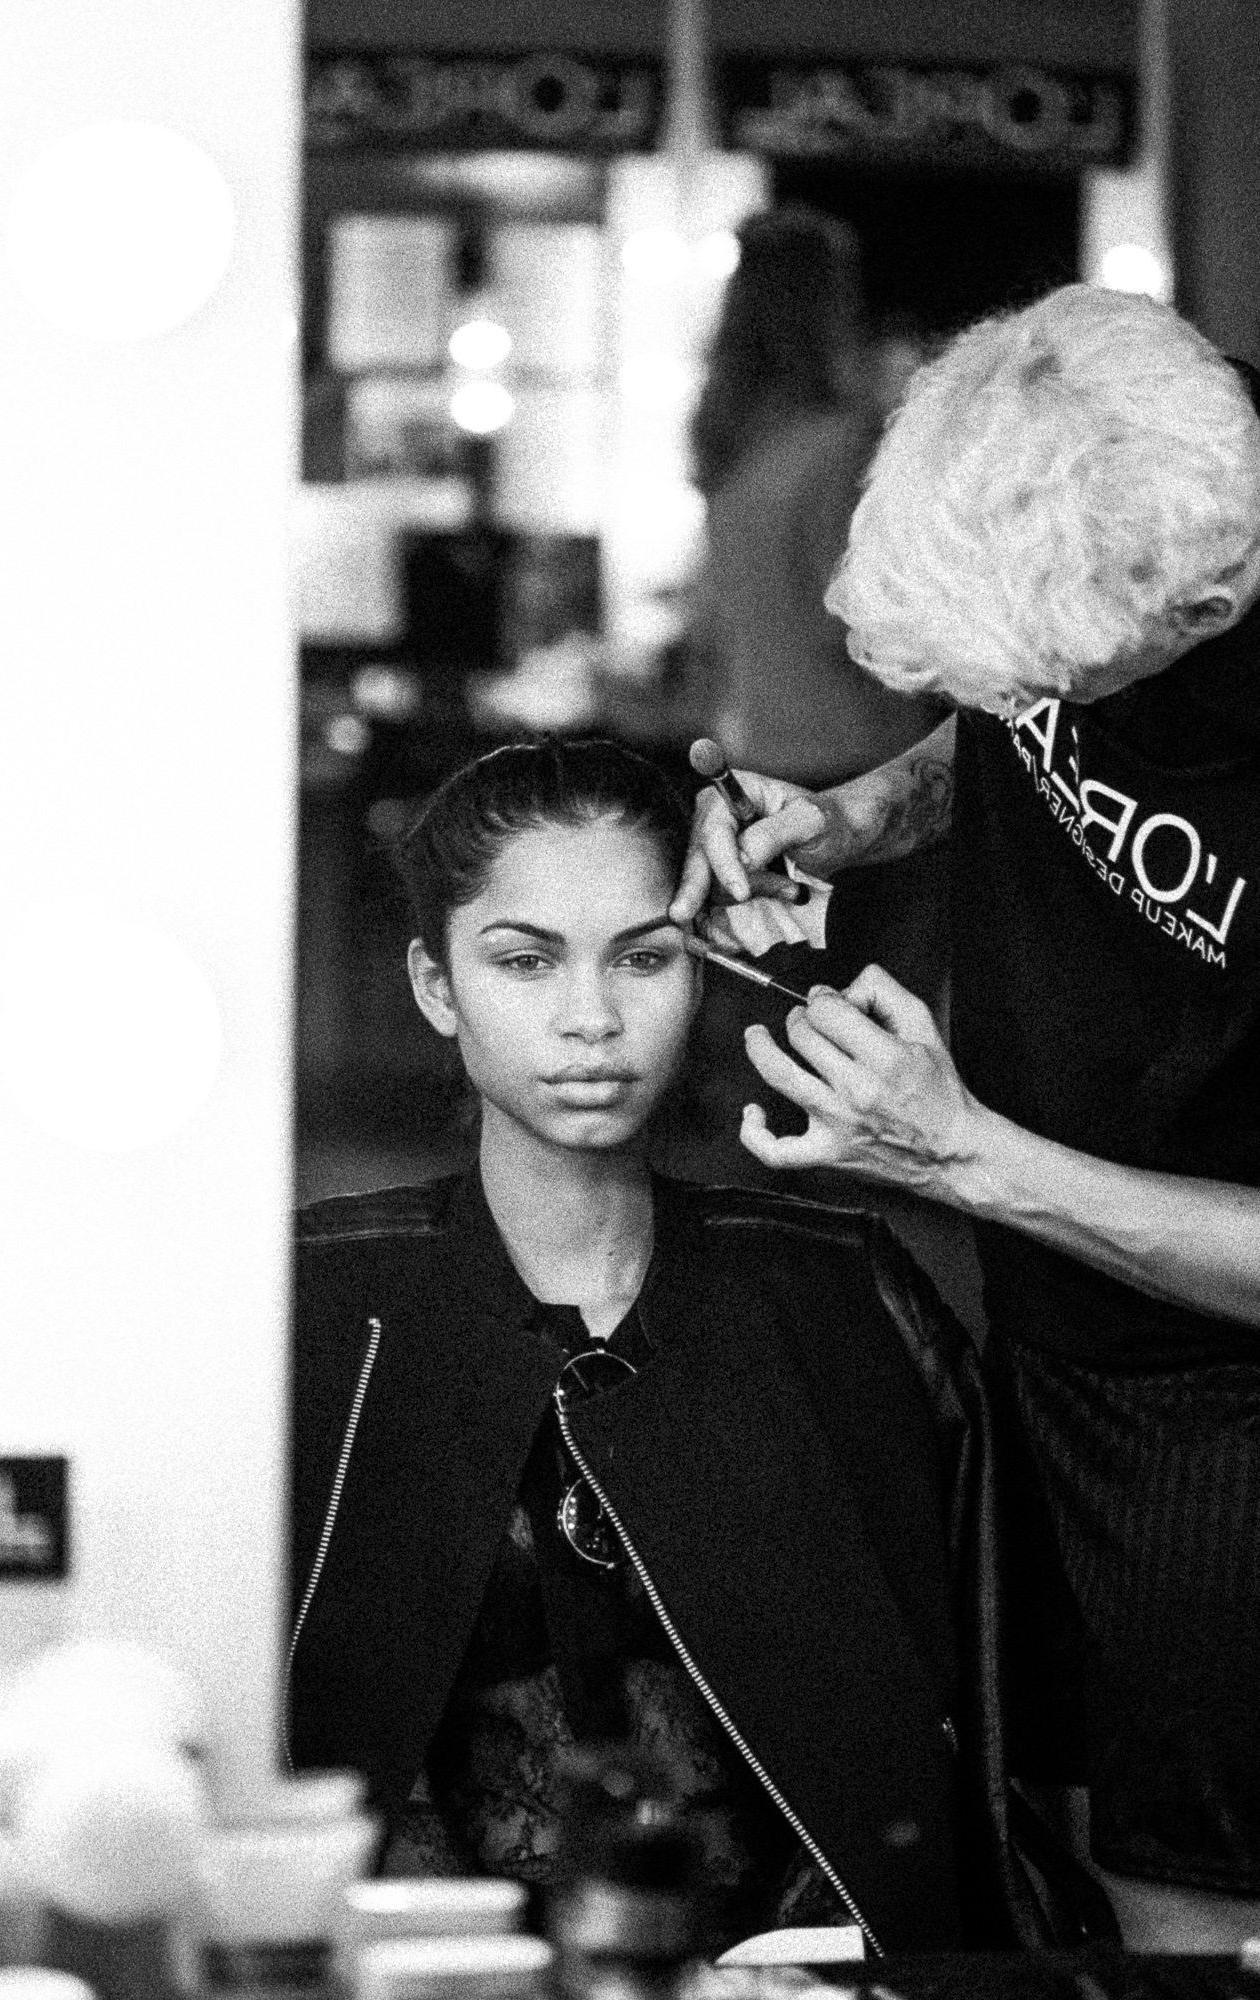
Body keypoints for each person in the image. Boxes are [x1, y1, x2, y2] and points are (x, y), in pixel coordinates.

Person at [669, 284, 1260, 1947]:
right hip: (1056, 1336)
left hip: (1224, 1423)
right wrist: (857, 813)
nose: (1040, 712)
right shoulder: (1126, 426)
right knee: (1051, 1868)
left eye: (1061, 675)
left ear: (1205, 601)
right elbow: (1021, 729)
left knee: (1185, 1927)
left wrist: (969, 1159)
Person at [284, 737, 1044, 1956]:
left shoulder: (841, 1296)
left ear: (701, 969)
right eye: (524, 961)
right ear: (436, 986)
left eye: (643, 957)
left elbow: (992, 1745)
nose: (590, 1018)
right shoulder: (316, 1305)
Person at [685, 206, 947, 1008]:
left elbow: (715, 618)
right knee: (876, 1014)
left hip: (762, 754)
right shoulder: (840, 443)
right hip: (859, 766)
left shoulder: (732, 445)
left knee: (787, 1002)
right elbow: (858, 621)